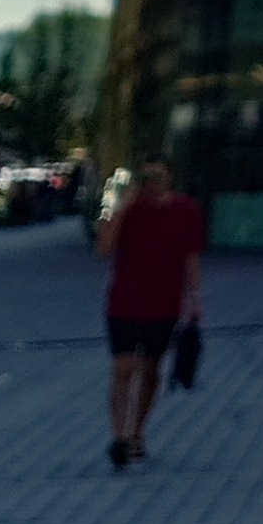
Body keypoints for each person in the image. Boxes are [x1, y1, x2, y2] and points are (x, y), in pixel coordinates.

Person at [97, 165, 206, 468]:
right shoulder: (127, 208)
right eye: (147, 178)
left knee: (150, 369)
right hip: (124, 302)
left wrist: (195, 298)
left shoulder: (185, 210)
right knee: (123, 367)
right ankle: (119, 437)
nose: (153, 183)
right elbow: (104, 249)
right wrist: (121, 208)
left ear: (170, 178)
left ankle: (137, 432)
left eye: (159, 177)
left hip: (164, 303)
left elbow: (191, 256)